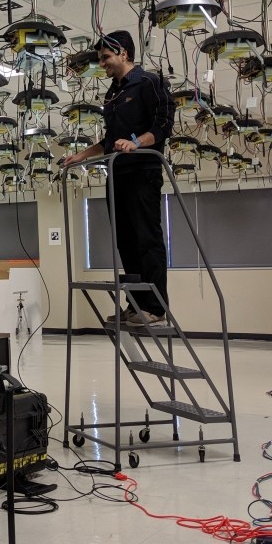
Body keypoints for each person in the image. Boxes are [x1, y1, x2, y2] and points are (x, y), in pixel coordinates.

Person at [61, 30, 176, 325]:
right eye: (100, 58)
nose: (102, 64)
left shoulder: (150, 82)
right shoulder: (113, 93)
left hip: (142, 172)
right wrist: (81, 156)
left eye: (106, 57)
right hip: (117, 173)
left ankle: (155, 308)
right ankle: (135, 305)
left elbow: (162, 126)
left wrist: (136, 143)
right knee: (125, 241)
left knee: (146, 240)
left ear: (124, 53)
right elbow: (110, 140)